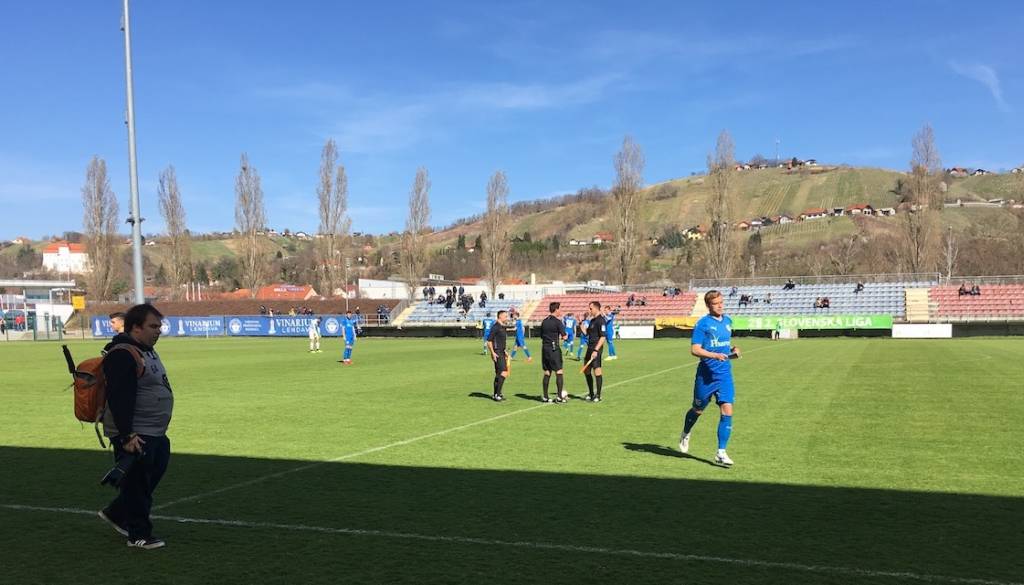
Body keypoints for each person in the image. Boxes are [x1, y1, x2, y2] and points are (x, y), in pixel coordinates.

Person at [98, 303, 174, 549]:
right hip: (136, 432)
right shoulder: (122, 354)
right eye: (153, 326)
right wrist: (127, 435)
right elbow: (119, 398)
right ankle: (138, 534)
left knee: (154, 471)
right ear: (135, 328)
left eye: (159, 326)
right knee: (137, 483)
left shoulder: (146, 350)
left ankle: (117, 513)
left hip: (154, 431)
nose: (158, 330)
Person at [679, 290, 738, 466]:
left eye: (721, 302)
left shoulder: (728, 321)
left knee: (727, 410)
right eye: (715, 303)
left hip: (724, 374)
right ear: (708, 305)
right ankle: (686, 432)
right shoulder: (702, 324)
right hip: (706, 376)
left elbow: (724, 345)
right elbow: (695, 349)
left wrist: (733, 350)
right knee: (697, 410)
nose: (720, 306)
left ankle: (721, 451)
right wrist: (714, 356)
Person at [540, 302, 568, 403]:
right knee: (559, 371)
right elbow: (564, 336)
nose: (560, 311)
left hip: (545, 349)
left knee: (547, 372)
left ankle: (545, 396)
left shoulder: (544, 321)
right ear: (556, 309)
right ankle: (559, 397)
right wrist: (564, 337)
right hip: (554, 349)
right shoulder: (557, 322)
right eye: (560, 309)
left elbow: (541, 335)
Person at [581, 301, 607, 402]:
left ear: (596, 308)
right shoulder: (592, 321)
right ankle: (591, 393)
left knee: (597, 370)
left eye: (591, 308)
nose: (589, 310)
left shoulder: (601, 321)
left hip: (596, 349)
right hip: (589, 348)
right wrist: (581, 324)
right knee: (586, 370)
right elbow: (586, 333)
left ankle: (598, 395)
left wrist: (596, 350)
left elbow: (603, 337)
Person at [486, 310, 510, 401]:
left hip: (501, 352)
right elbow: (489, 341)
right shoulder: (495, 327)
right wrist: (492, 353)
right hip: (497, 352)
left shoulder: (502, 327)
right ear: (500, 316)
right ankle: (498, 394)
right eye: (505, 316)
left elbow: (500, 341)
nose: (507, 318)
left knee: (498, 374)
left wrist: (505, 351)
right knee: (504, 372)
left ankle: (496, 394)